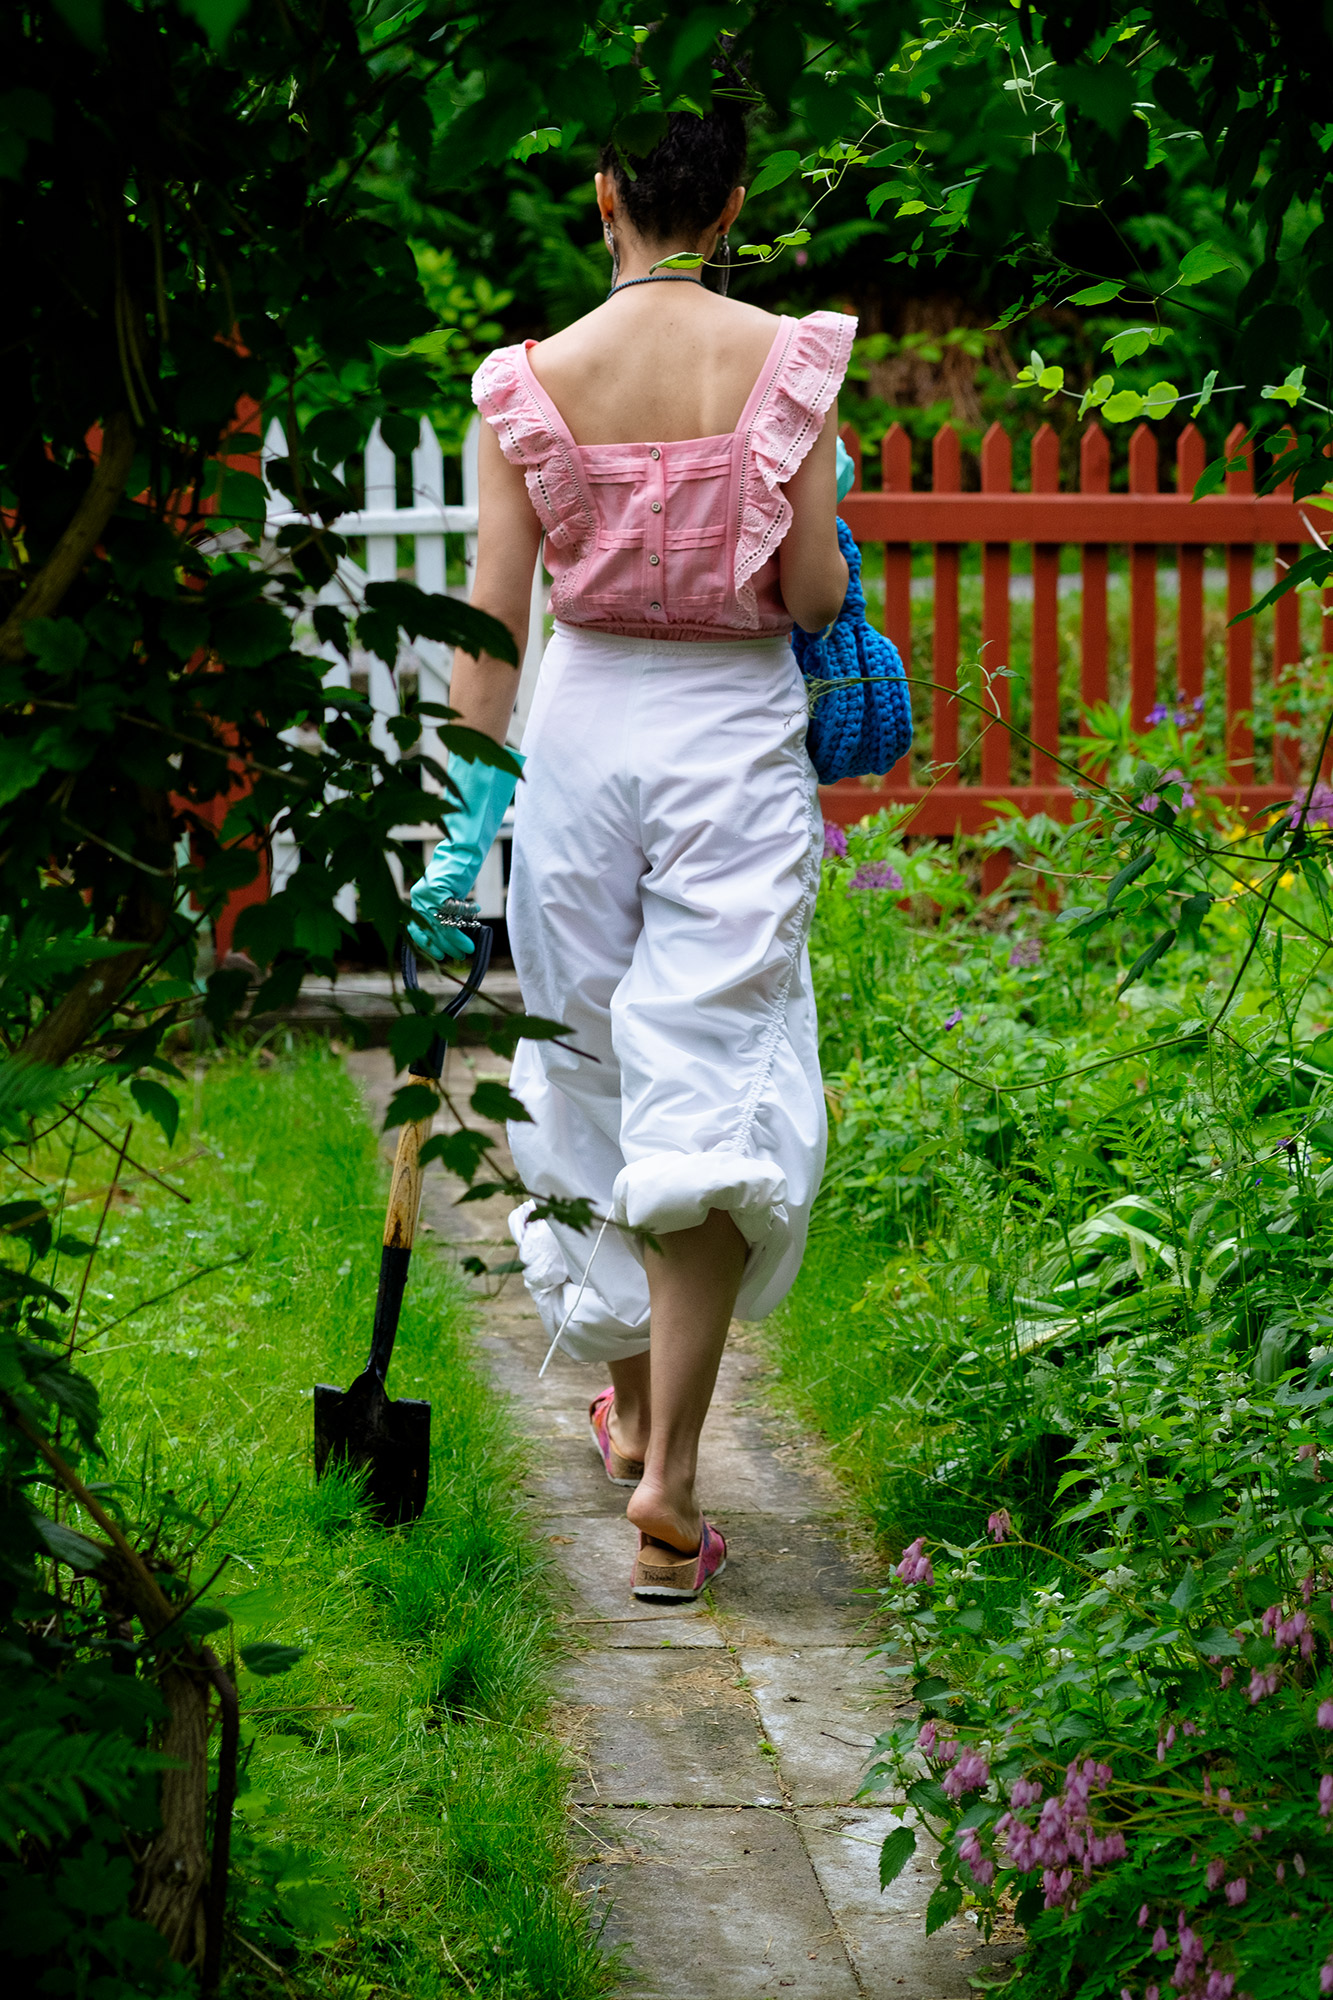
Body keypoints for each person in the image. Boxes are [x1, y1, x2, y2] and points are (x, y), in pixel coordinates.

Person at [409, 103, 854, 1602]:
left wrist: (468, 820)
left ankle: (635, 1416)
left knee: (595, 1063)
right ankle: (667, 1477)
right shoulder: (789, 366)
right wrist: (830, 553)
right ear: (731, 204)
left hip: (585, 733)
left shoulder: (528, 385)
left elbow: (494, 631)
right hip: (727, 731)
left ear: (601, 198)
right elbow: (804, 595)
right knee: (712, 1070)